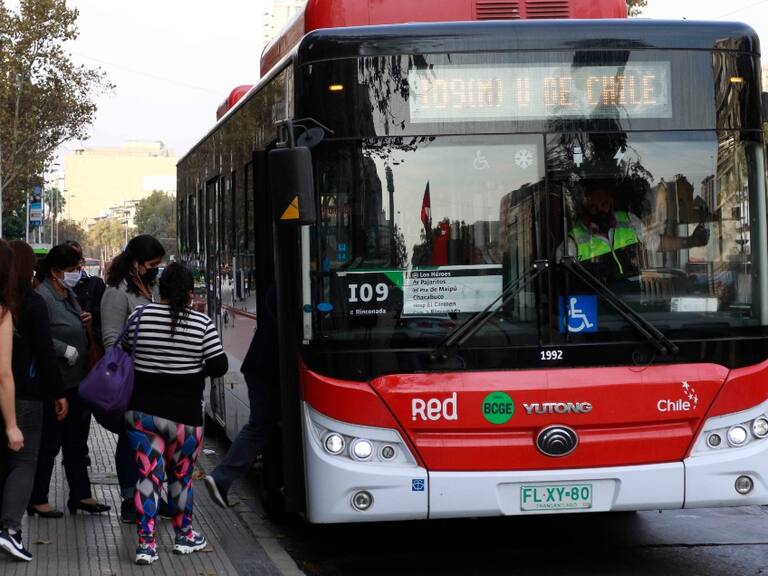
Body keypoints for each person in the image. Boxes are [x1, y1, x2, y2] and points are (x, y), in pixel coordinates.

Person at [123, 263, 227, 565]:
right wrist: (193, 371)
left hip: (143, 413)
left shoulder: (139, 317)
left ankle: (146, 544)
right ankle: (184, 537)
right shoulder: (201, 323)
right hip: (186, 416)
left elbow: (127, 350)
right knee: (181, 477)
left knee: (147, 476)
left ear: (159, 287)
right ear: (189, 291)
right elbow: (219, 366)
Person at [28, 244, 110, 518]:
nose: (79, 273)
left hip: (78, 382)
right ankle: (38, 498)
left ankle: (81, 495)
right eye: (74, 269)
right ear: (55, 271)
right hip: (56, 383)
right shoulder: (43, 297)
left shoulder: (68, 293)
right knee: (50, 443)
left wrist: (84, 321)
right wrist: (64, 349)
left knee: (76, 442)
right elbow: (34, 336)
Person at [0, 241, 68, 562]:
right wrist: (58, 392)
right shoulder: (21, 304)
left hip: (19, 393)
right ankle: (10, 529)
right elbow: (11, 371)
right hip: (24, 396)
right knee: (24, 461)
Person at [100, 234, 165, 523]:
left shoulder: (152, 288)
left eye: (159, 265)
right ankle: (129, 498)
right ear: (136, 263)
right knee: (129, 439)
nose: (156, 269)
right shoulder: (116, 292)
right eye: (152, 264)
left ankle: (151, 494)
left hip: (155, 377)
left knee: (151, 441)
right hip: (130, 378)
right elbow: (111, 340)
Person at [204, 285, 276, 509]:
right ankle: (221, 477)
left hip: (261, 366)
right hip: (265, 369)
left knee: (261, 426)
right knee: (259, 427)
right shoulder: (294, 282)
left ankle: (223, 478)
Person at [560, 181, 710, 281]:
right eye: (593, 207)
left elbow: (656, 243)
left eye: (604, 204)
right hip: (597, 301)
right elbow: (562, 277)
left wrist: (690, 241)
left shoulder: (628, 221)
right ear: (586, 209)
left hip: (630, 297)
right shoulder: (573, 242)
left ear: (611, 203)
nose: (600, 211)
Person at [65, 240, 105, 467]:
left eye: (77, 263)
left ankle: (79, 448)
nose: (74, 271)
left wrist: (93, 322)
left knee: (82, 410)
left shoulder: (95, 286)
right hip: (63, 362)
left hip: (87, 359)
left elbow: (104, 320)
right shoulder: (52, 290)